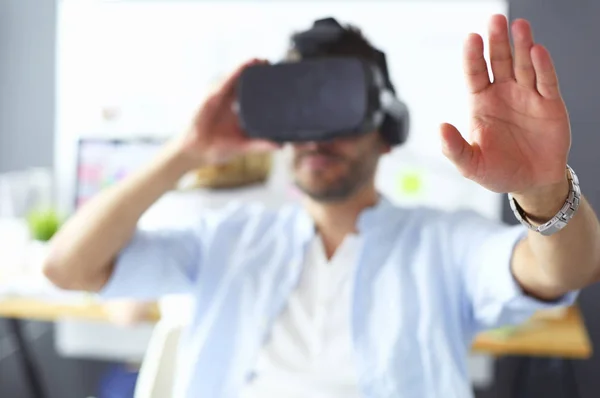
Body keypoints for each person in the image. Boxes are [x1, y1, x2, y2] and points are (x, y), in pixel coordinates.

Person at [44, 14, 600, 398]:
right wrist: (184, 153)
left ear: (385, 131)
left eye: (338, 112)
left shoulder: (442, 243)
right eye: (301, 117)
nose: (316, 139)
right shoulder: (229, 236)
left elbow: (564, 270)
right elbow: (66, 268)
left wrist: (542, 189)